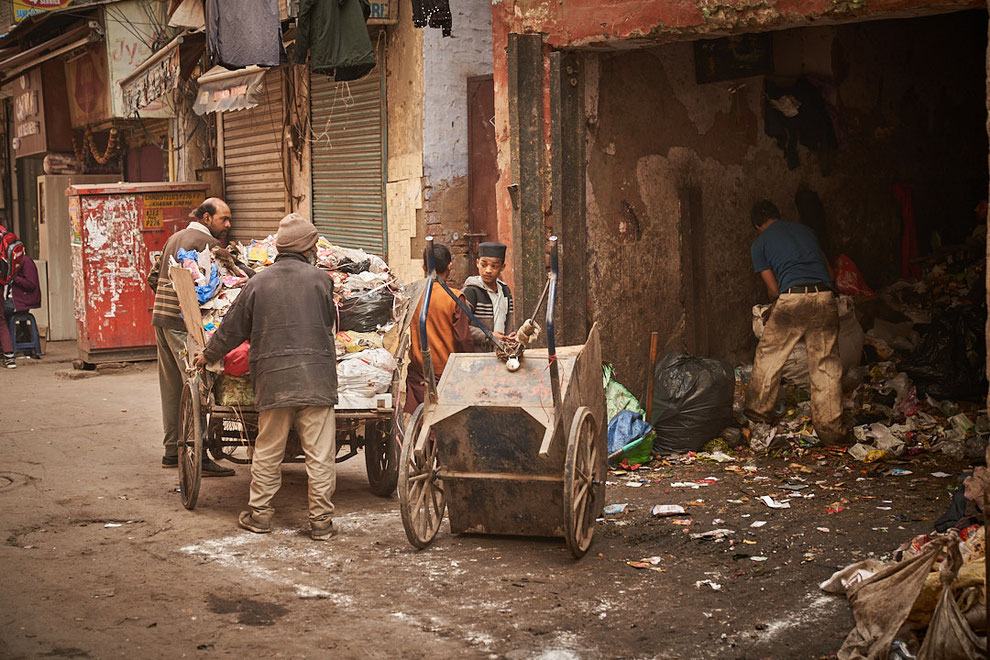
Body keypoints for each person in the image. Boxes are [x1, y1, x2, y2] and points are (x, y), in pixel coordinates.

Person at [193, 214, 339, 540]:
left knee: (268, 450)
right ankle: (321, 523)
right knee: (320, 455)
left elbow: (232, 328)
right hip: (316, 379)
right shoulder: (321, 280)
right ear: (306, 249)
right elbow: (329, 323)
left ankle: (259, 515)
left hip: (274, 379)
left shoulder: (259, 281)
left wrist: (209, 354)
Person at [744, 200, 845, 444]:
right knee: (826, 364)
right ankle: (831, 431)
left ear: (757, 225)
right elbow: (830, 274)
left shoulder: (760, 243)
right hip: (825, 297)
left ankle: (757, 415)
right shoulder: (807, 232)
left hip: (793, 298)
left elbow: (774, 289)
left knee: (770, 355)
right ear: (779, 215)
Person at [147, 198, 235, 475]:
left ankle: (172, 451)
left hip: (162, 319)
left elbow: (153, 276)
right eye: (224, 218)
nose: (228, 224)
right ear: (207, 218)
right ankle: (200, 453)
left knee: (172, 386)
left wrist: (168, 298)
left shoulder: (174, 237)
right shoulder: (207, 244)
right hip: (183, 324)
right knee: (197, 386)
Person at [404, 243, 473, 414]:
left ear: (424, 267)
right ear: (450, 266)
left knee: (418, 422)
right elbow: (463, 339)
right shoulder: (455, 298)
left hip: (418, 371)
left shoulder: (412, 294)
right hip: (446, 373)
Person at [463, 242, 515, 352]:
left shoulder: (505, 290)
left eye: (494, 266)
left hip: (502, 352)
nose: (488, 270)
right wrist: (489, 336)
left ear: (502, 267)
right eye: (484, 265)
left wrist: (511, 335)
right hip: (479, 355)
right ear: (477, 263)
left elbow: (508, 320)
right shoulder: (471, 291)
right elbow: (462, 327)